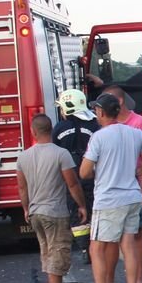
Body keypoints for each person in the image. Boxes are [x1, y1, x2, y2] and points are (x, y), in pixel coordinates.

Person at [78, 93, 142, 283]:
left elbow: (85, 172)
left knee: (96, 248)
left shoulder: (98, 137)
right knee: (128, 246)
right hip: (132, 196)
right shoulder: (133, 133)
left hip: (108, 199)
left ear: (100, 112)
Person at [17, 114, 88, 283]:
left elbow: (22, 188)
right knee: (59, 250)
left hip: (35, 211)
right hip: (55, 211)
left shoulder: (23, 157)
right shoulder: (61, 154)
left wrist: (25, 208)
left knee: (46, 250)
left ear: (33, 132)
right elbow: (72, 183)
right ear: (51, 130)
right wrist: (81, 205)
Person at [105, 84, 142, 283]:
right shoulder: (106, 125)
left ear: (120, 102)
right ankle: (109, 282)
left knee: (136, 234)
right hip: (113, 190)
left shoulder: (139, 124)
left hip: (133, 188)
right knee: (112, 238)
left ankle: (139, 279)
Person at [52, 89, 99, 263]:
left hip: (70, 175)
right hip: (93, 173)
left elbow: (55, 150)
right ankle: (97, 246)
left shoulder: (59, 127)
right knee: (95, 209)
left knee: (77, 212)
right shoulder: (94, 124)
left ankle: (85, 248)